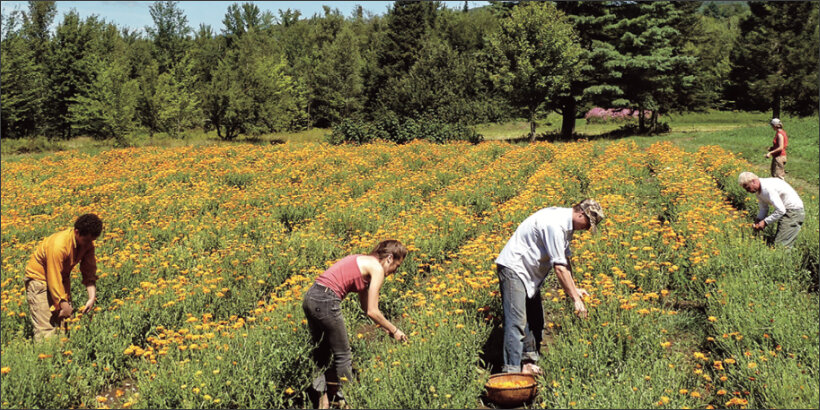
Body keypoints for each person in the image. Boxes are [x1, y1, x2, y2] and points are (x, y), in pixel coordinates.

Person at [494, 199, 604, 375]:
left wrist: (574, 289)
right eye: (588, 223)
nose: (588, 228)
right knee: (516, 322)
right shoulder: (555, 224)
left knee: (535, 319)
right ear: (581, 214)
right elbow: (559, 267)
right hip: (515, 268)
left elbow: (565, 261)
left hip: (529, 272)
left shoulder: (565, 224)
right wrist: (575, 299)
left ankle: (528, 363)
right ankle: (511, 373)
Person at [303, 240, 408, 409]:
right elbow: (373, 311)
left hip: (311, 297)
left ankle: (322, 401)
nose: (394, 271)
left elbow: (366, 308)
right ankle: (348, 401)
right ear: (389, 258)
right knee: (343, 354)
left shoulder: (363, 261)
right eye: (397, 265)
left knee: (320, 352)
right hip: (326, 300)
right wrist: (395, 330)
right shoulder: (377, 269)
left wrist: (385, 327)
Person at [24, 214, 102, 342]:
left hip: (61, 279)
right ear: (77, 232)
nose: (88, 244)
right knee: (46, 328)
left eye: (91, 241)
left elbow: (89, 272)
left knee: (64, 325)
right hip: (39, 281)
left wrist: (92, 297)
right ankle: (46, 358)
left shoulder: (88, 245)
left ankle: (62, 359)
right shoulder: (59, 245)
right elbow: (53, 275)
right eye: (86, 240)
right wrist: (62, 302)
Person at [738, 172, 804, 248]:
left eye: (748, 188)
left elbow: (781, 210)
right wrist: (758, 220)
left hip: (793, 211)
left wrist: (765, 222)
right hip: (788, 210)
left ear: (754, 181)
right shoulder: (758, 191)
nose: (747, 191)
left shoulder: (767, 188)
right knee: (782, 242)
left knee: (781, 245)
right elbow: (764, 208)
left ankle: (782, 259)